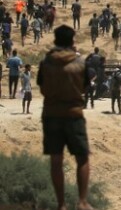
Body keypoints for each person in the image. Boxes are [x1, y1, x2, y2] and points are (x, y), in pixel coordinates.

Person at [37, 25, 93, 210]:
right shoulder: (80, 63)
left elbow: (42, 86)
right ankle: (82, 201)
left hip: (51, 114)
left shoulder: (46, 62)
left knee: (56, 159)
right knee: (82, 157)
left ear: (55, 40)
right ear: (72, 41)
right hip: (74, 113)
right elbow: (85, 87)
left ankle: (61, 204)